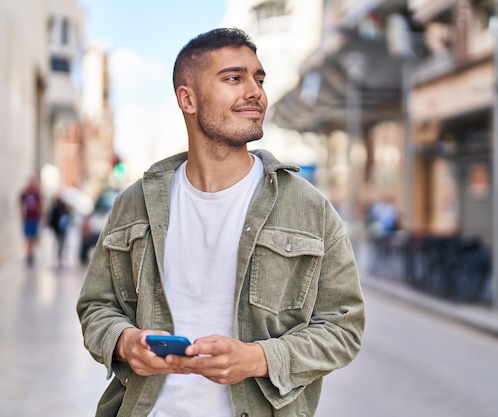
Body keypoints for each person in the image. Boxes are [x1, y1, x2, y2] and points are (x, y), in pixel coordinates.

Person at [76, 28, 365, 417]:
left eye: (258, 78)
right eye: (233, 78)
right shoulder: (136, 203)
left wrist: (260, 358)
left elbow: (343, 327)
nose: (254, 92)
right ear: (188, 99)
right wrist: (125, 342)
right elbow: (96, 305)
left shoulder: (307, 206)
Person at [19, 176, 42, 266]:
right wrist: (21, 214)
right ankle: (28, 254)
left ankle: (31, 253)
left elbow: (40, 205)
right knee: (28, 237)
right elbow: (20, 204)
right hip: (27, 219)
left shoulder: (36, 193)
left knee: (32, 238)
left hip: (34, 218)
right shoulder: (25, 193)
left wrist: (41, 215)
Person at [48, 195, 71, 264]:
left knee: (60, 241)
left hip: (60, 228)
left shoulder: (59, 207)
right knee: (60, 241)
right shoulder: (58, 208)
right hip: (58, 228)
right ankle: (59, 253)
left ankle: (60, 253)